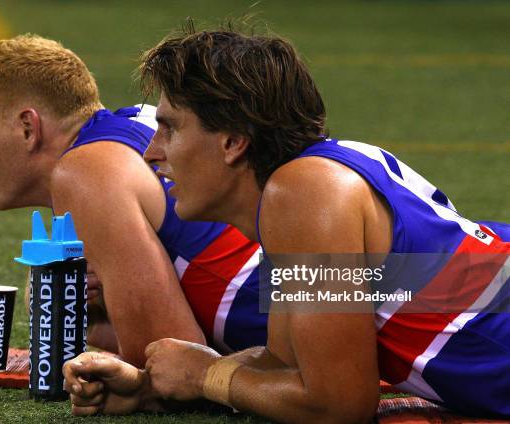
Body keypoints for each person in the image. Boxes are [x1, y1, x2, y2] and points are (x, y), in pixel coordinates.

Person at [63, 27, 510, 422]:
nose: (151, 151)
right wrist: (152, 388)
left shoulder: (302, 192)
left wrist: (205, 375)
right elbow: (284, 364)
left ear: (234, 142)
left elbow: (338, 405)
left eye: (170, 129)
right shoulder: (308, 182)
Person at [0, 34, 268, 367]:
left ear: (27, 127)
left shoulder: (86, 172)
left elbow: (168, 368)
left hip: (307, 311)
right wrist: (94, 321)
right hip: (315, 292)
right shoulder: (131, 124)